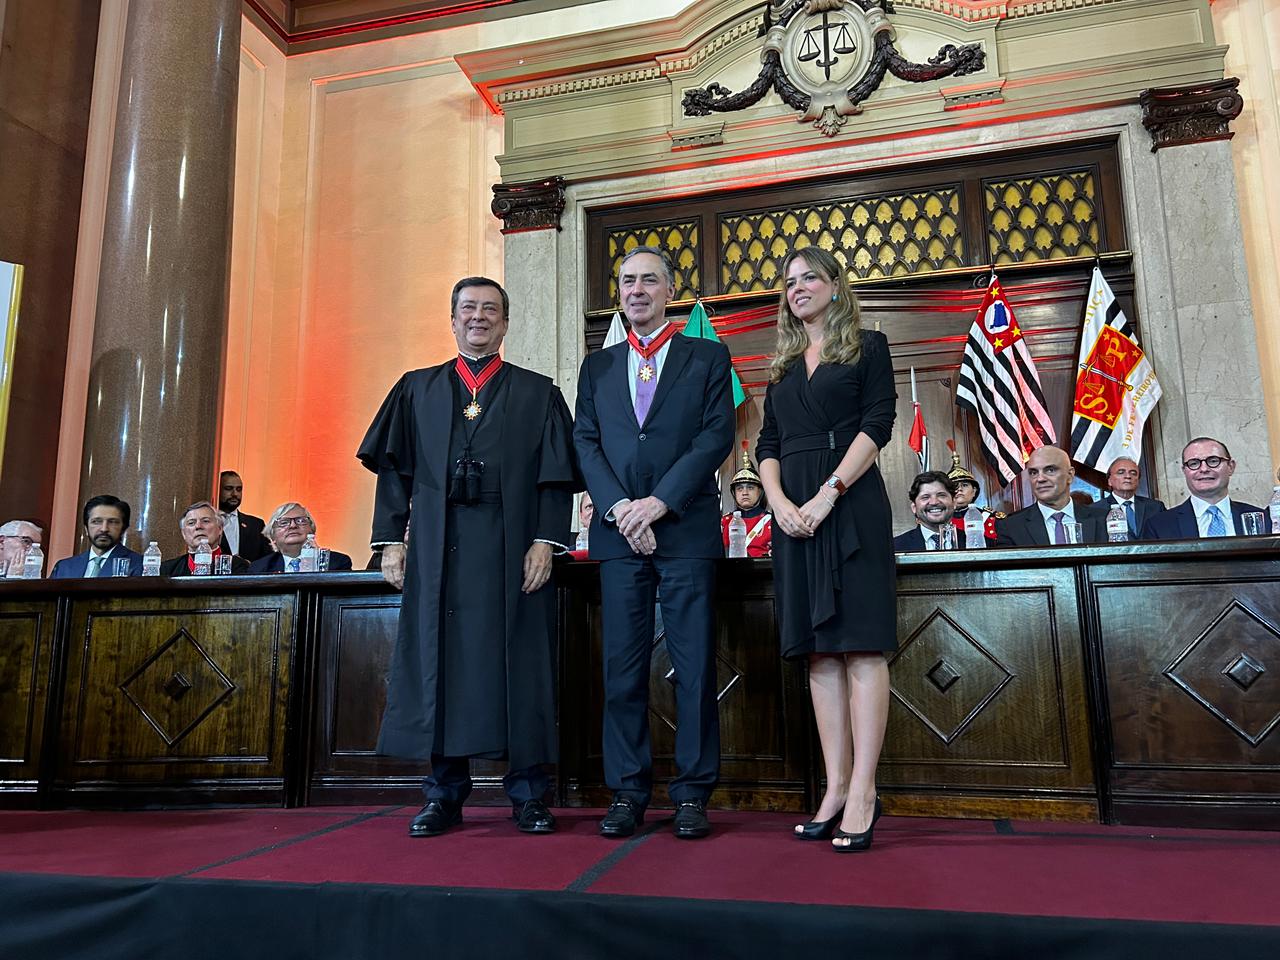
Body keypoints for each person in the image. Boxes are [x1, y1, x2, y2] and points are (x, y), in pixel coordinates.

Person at [358, 276, 578, 839]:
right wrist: (390, 540)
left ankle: (528, 794)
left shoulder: (537, 392)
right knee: (441, 666)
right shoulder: (417, 389)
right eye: (468, 309)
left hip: (513, 554)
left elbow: (556, 478)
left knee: (520, 669)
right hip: (439, 552)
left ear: (505, 323)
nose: (479, 317)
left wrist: (545, 540)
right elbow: (394, 474)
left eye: (490, 310)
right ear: (452, 319)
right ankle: (443, 795)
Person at [574, 246, 735, 840]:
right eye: (627, 281)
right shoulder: (597, 366)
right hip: (618, 535)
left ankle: (692, 794)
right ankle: (627, 791)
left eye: (648, 280)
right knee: (621, 668)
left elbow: (715, 436)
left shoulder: (707, 355)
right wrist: (620, 508)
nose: (636, 290)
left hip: (685, 529)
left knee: (693, 668)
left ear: (670, 290)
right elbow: (585, 442)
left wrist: (659, 502)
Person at [755, 247, 897, 853]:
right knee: (817, 652)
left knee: (860, 645)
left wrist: (827, 494)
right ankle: (835, 788)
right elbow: (766, 443)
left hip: (850, 506)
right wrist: (779, 502)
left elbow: (878, 424)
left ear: (836, 286)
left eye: (810, 277)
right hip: (793, 519)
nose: (798, 288)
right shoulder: (783, 366)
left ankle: (864, 790)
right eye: (790, 281)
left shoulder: (869, 346)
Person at [1142, 437, 1268, 539]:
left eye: (1213, 461)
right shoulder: (1159, 526)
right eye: (1194, 463)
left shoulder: (1263, 519)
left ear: (1231, 466)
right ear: (1184, 471)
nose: (1204, 469)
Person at [994, 446, 1106, 546]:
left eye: (1050, 470)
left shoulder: (1104, 520)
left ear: (1070, 475)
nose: (1040, 479)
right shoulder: (1011, 527)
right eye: (1034, 472)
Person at [50, 495, 144, 578]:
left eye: (112, 522)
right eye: (96, 521)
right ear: (86, 528)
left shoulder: (140, 565)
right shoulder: (64, 567)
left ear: (123, 528)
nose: (104, 529)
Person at [248, 502, 353, 573]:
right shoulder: (259, 569)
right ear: (272, 537)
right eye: (284, 522)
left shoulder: (337, 563)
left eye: (301, 521)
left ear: (311, 530)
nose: (293, 526)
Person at [159, 502, 251, 575]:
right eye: (191, 523)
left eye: (205, 521)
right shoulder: (167, 570)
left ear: (220, 529)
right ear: (183, 534)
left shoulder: (237, 566)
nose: (198, 526)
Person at [721, 443, 773, 557]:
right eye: (739, 489)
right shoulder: (725, 522)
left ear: (760, 491)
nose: (745, 492)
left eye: (750, 488)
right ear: (734, 493)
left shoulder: (771, 521)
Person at [894, 472, 964, 552]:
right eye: (925, 497)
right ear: (914, 507)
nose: (934, 502)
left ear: (954, 502)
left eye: (941, 495)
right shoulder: (895, 547)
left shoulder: (971, 541)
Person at [1097, 457, 1165, 539]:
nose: (1128, 476)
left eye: (1133, 473)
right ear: (1109, 481)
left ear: (1138, 480)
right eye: (1121, 472)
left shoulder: (1156, 507)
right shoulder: (1095, 510)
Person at [945, 444, 1001, 542]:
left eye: (965, 485)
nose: (959, 489)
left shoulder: (990, 518)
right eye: (954, 486)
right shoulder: (939, 519)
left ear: (974, 491)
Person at [217, 470, 271, 562]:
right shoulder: (206, 523)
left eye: (239, 489)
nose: (235, 494)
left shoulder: (256, 525)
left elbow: (268, 560)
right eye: (228, 488)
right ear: (218, 490)